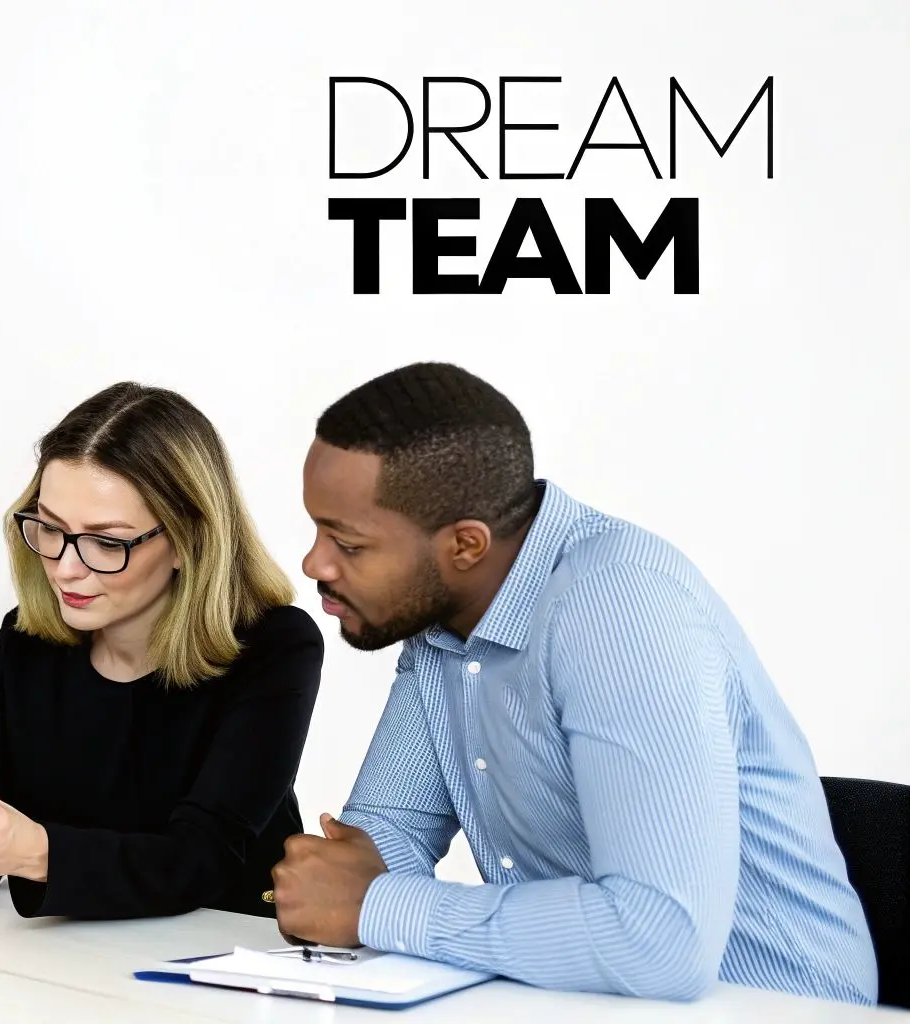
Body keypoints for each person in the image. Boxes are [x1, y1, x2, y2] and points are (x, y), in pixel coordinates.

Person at [269, 361, 878, 1005]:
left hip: (768, 1005)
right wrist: (348, 885)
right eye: (317, 529)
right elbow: (382, 843)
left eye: (348, 544)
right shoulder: (442, 619)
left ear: (466, 545)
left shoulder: (620, 608)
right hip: (579, 1002)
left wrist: (379, 906)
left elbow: (660, 942)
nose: (314, 563)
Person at [0, 382, 324, 919]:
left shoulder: (274, 646)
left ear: (189, 540)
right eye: (50, 529)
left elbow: (202, 859)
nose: (65, 568)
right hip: (65, 956)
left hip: (226, 947)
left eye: (106, 542)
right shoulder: (25, 641)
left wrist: (37, 853)